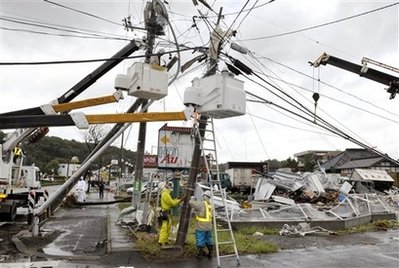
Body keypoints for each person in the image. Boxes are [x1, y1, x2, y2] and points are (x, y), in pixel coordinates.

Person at [189, 190, 214, 260]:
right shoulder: (210, 204)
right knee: (208, 239)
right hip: (208, 226)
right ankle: (210, 254)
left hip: (201, 225)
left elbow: (191, 203)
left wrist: (192, 198)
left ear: (204, 196)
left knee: (200, 239)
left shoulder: (202, 203)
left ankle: (200, 255)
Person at [158, 181, 182, 246]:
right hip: (166, 213)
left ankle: (165, 241)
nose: (168, 185)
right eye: (166, 185)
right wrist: (180, 200)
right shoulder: (165, 194)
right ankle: (161, 241)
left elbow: (171, 201)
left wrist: (177, 199)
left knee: (168, 228)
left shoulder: (166, 193)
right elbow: (172, 203)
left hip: (167, 213)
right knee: (165, 228)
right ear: (164, 186)